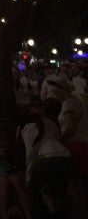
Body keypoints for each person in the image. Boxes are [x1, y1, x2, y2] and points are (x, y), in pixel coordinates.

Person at [21, 97, 71, 219]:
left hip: (48, 159)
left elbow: (31, 152)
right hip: (64, 157)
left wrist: (28, 175)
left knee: (34, 191)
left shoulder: (30, 127)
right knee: (58, 191)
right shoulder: (50, 123)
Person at [52, 74, 88, 219]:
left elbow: (70, 126)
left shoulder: (68, 103)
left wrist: (60, 140)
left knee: (77, 184)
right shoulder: (73, 102)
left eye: (56, 88)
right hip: (81, 143)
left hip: (76, 145)